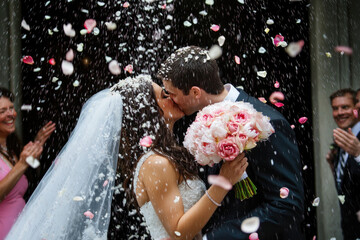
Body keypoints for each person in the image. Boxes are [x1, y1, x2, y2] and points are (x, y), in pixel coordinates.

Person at [6, 75, 248, 240]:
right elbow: (177, 233)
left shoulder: (168, 154)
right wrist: (223, 183)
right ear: (146, 112)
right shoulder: (156, 163)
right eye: (162, 96)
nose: (171, 97)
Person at [157, 45, 305, 240]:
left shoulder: (266, 124)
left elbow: (287, 205)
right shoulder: (199, 124)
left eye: (172, 93)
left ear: (195, 92)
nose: (171, 100)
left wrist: (215, 238)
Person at [0, 87, 55, 239]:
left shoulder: (11, 149)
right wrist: (22, 163)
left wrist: (36, 148)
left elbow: (26, 175)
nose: (10, 114)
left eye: (11, 108)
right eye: (2, 111)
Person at [326, 88, 360, 240]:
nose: (340, 113)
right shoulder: (342, 138)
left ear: (356, 108)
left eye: (345, 107)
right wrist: (333, 167)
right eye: (335, 108)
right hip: (350, 225)